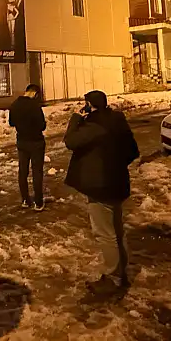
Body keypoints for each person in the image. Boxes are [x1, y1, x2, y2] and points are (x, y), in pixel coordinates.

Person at [63, 90, 139, 294]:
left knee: (105, 233)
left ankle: (113, 277)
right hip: (118, 183)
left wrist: (76, 117)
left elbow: (70, 141)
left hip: (100, 186)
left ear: (90, 105)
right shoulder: (117, 121)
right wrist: (115, 165)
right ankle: (122, 271)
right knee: (117, 230)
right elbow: (133, 151)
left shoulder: (94, 126)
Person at [9, 84, 47, 211]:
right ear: (35, 93)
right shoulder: (35, 106)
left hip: (22, 142)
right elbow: (42, 126)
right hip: (36, 143)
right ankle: (38, 202)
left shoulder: (15, 105)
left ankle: (25, 200)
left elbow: (11, 122)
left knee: (23, 171)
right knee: (37, 172)